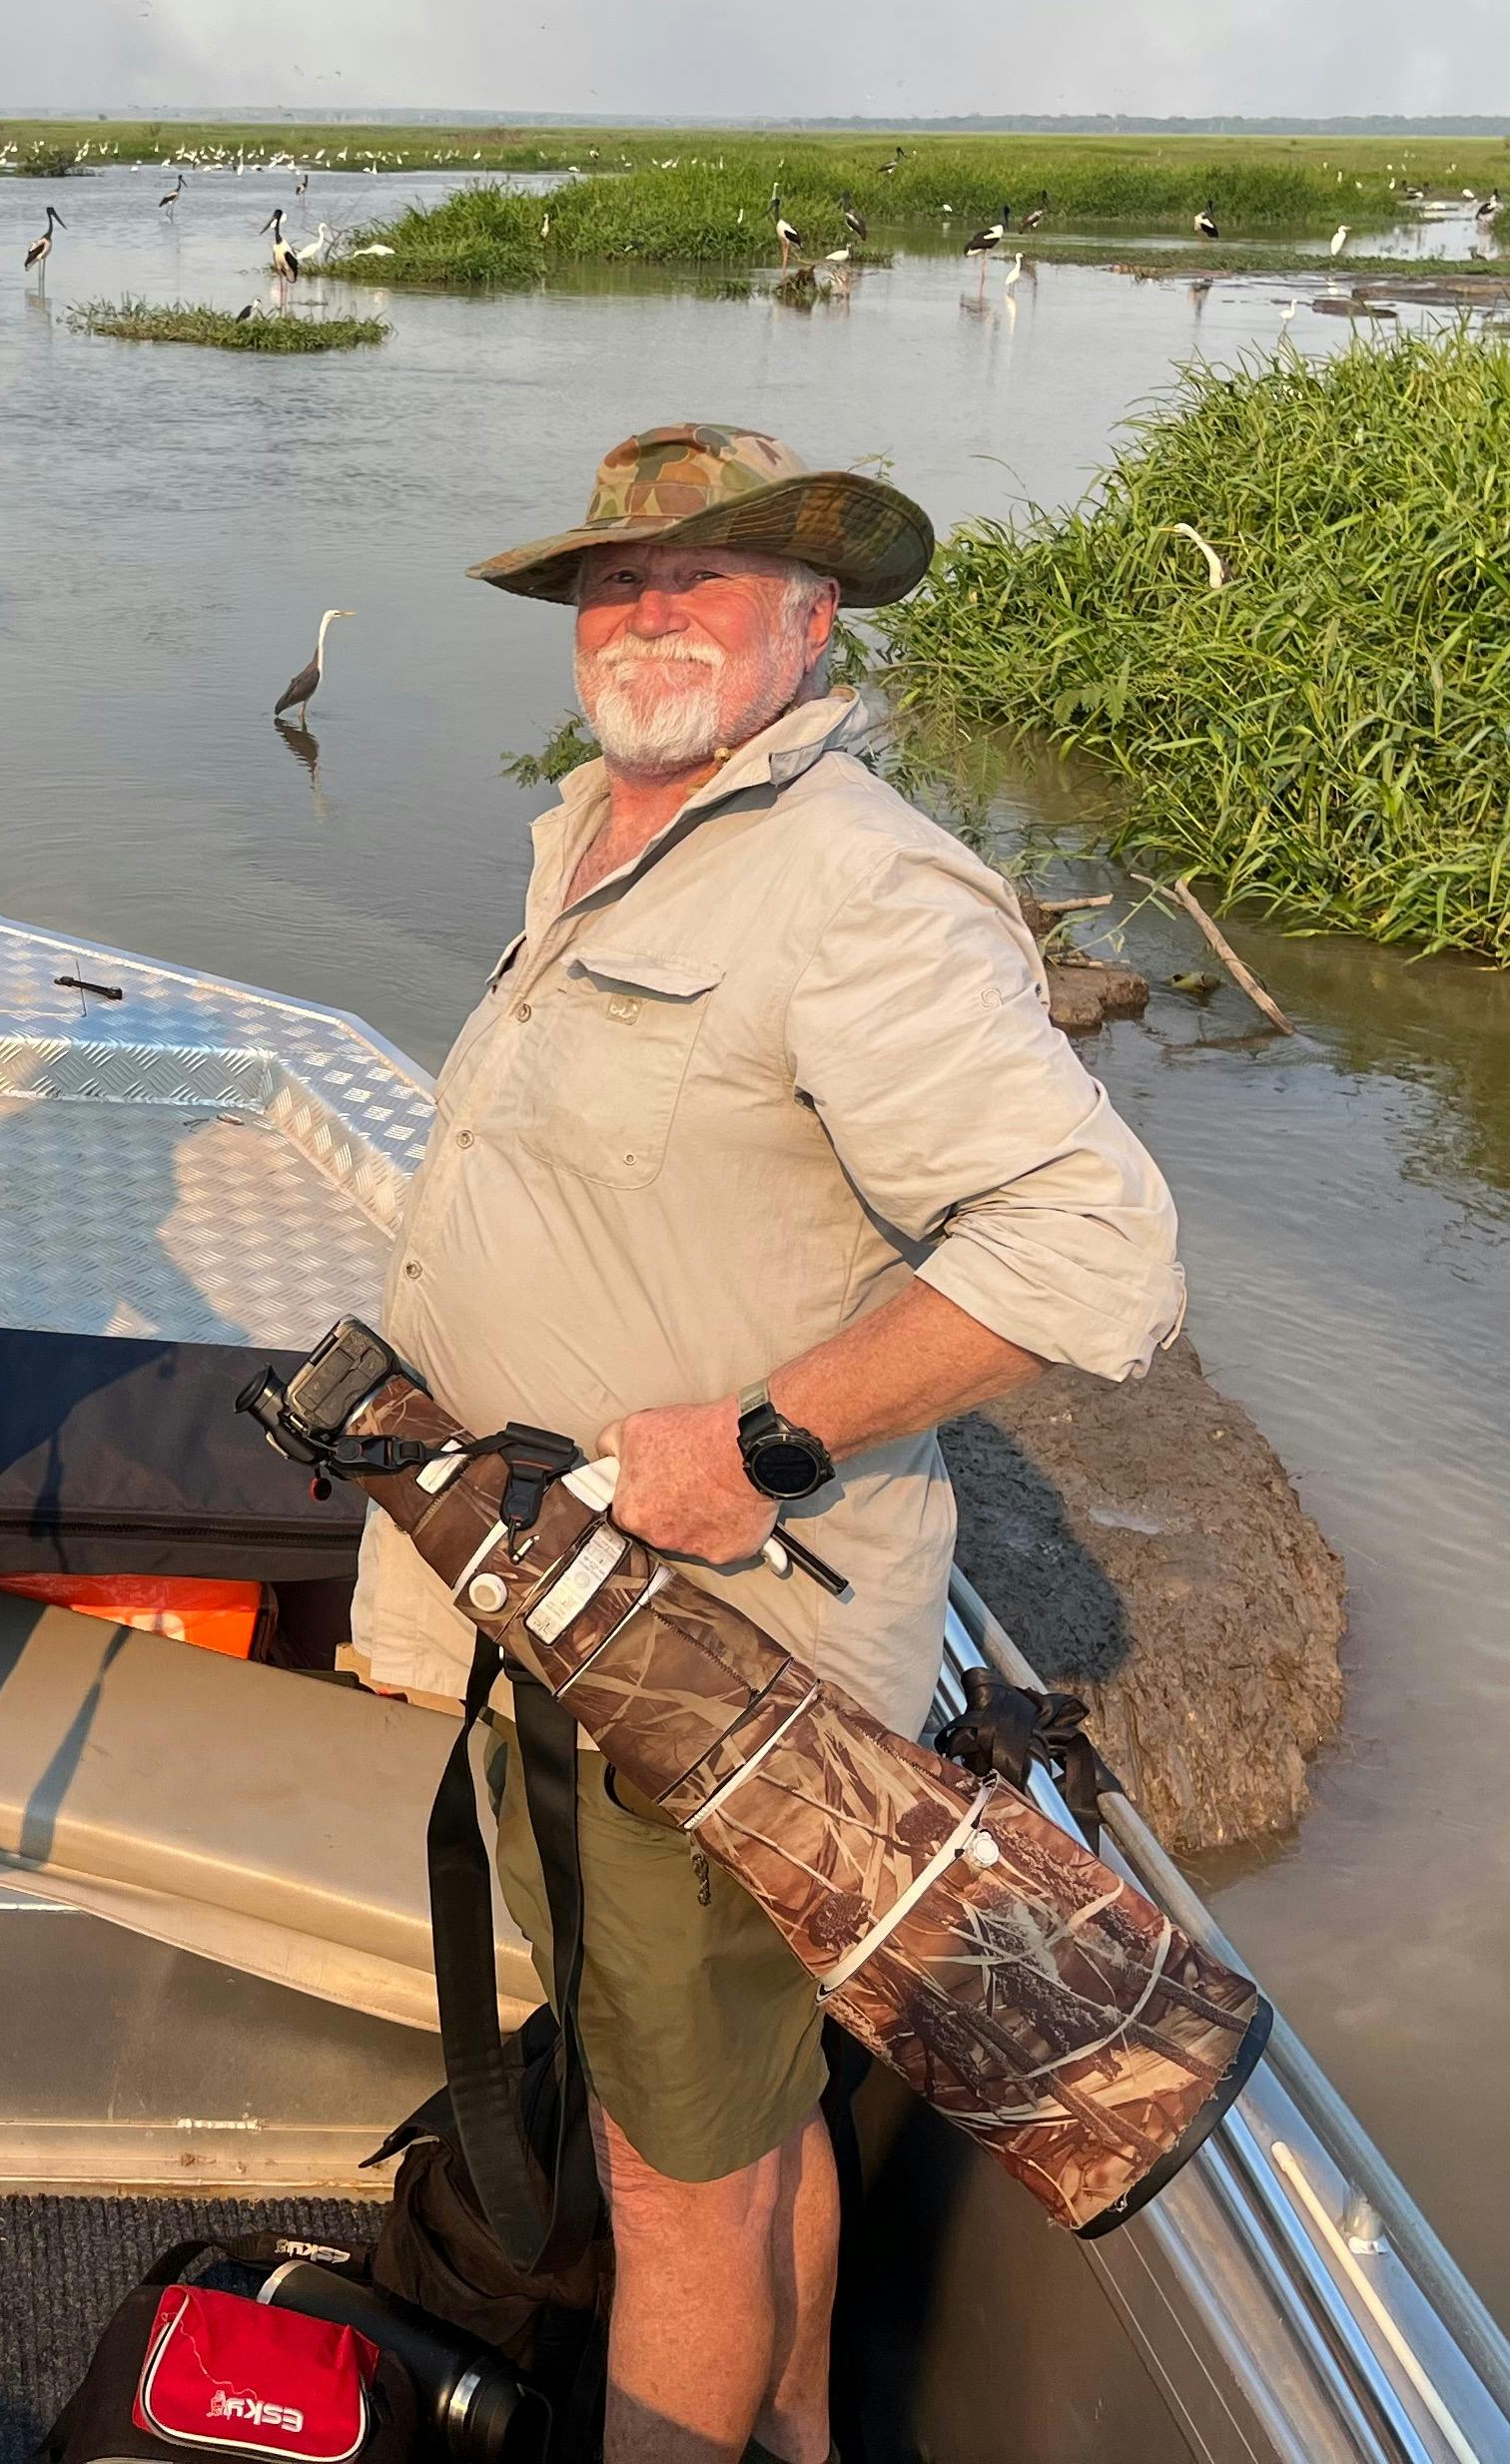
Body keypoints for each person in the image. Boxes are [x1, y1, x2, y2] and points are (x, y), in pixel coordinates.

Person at [353, 422, 1184, 2464]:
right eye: (613, 585)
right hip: (554, 1589)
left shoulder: (859, 886)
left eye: (700, 581)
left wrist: (770, 1438)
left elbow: (1103, 1252)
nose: (645, 618)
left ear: (815, 621)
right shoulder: (604, 828)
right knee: (734, 2116)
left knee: (678, 2179)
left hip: (715, 1650)